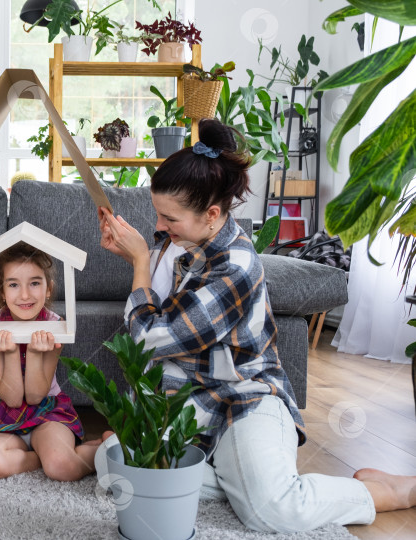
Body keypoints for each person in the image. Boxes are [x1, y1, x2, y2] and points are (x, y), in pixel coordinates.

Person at [98, 118, 416, 533]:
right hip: (190, 403)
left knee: (272, 511)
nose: (158, 227)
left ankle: (391, 492)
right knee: (110, 468)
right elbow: (165, 302)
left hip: (243, 401)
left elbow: (150, 340)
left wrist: (140, 262)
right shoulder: (181, 243)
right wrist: (141, 256)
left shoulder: (235, 266)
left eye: (168, 218)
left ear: (212, 215)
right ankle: (242, 479)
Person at [0, 242, 100, 481]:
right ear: (2, 291)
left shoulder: (54, 325)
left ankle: (103, 447)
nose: (25, 295)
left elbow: (36, 396)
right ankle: (42, 457)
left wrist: (36, 353)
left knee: (62, 467)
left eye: (35, 283)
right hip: (2, 415)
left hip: (46, 413)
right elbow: (13, 398)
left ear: (48, 289)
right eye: (14, 285)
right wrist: (8, 352)